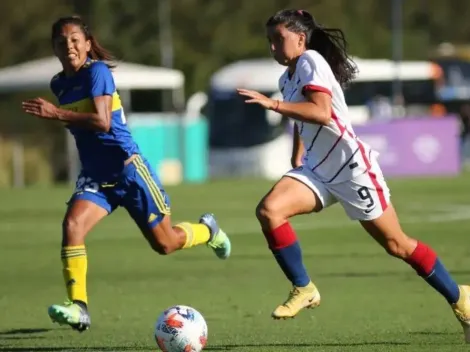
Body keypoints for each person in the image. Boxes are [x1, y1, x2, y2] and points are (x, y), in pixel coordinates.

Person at [237, 9, 470, 342]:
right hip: (317, 169)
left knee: (397, 245)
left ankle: (460, 297)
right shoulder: (286, 78)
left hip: (351, 169)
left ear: (301, 39)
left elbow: (320, 110)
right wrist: (297, 150)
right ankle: (304, 288)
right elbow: (305, 116)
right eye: (269, 41)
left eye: (279, 40)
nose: (273, 47)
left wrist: (272, 106)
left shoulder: (311, 61)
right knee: (269, 211)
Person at [21, 15, 231, 333]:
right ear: (54, 47)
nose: (69, 46)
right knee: (72, 225)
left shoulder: (98, 72)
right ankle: (79, 307)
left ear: (88, 44)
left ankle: (207, 230)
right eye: (61, 42)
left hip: (129, 171)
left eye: (75, 39)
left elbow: (103, 122)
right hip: (96, 177)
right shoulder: (58, 83)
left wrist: (57, 113)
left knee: (165, 244)